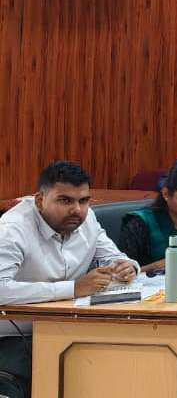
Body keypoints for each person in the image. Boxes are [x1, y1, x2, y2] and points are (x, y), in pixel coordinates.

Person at [0, 161, 139, 398]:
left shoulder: (87, 219)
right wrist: (73, 288)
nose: (77, 209)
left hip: (71, 327)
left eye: (83, 200)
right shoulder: (12, 229)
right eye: (65, 200)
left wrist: (128, 267)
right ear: (40, 200)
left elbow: (113, 257)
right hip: (14, 335)